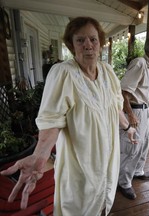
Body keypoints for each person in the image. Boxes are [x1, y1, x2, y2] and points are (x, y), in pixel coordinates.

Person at [0, 16, 137, 216]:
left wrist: (128, 128)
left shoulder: (108, 72)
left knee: (103, 203)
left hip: (108, 160)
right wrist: (39, 156)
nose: (88, 45)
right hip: (80, 166)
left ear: (100, 43)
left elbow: (114, 108)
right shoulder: (63, 73)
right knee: (79, 207)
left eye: (93, 39)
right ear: (72, 46)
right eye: (80, 40)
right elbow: (51, 122)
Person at [118, 32, 149, 200]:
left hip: (145, 111)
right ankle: (123, 182)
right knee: (132, 148)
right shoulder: (139, 64)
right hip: (136, 111)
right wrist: (130, 115)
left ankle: (137, 171)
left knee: (144, 144)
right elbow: (124, 92)